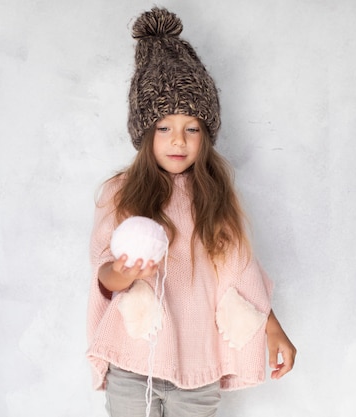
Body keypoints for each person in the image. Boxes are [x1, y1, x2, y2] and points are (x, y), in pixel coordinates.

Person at [86, 7, 296, 417]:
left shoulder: (215, 195)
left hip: (199, 368)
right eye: (164, 127)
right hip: (133, 364)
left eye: (192, 128)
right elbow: (104, 275)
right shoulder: (119, 194)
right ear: (145, 133)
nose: (178, 140)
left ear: (206, 133)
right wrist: (126, 273)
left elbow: (240, 269)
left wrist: (274, 329)